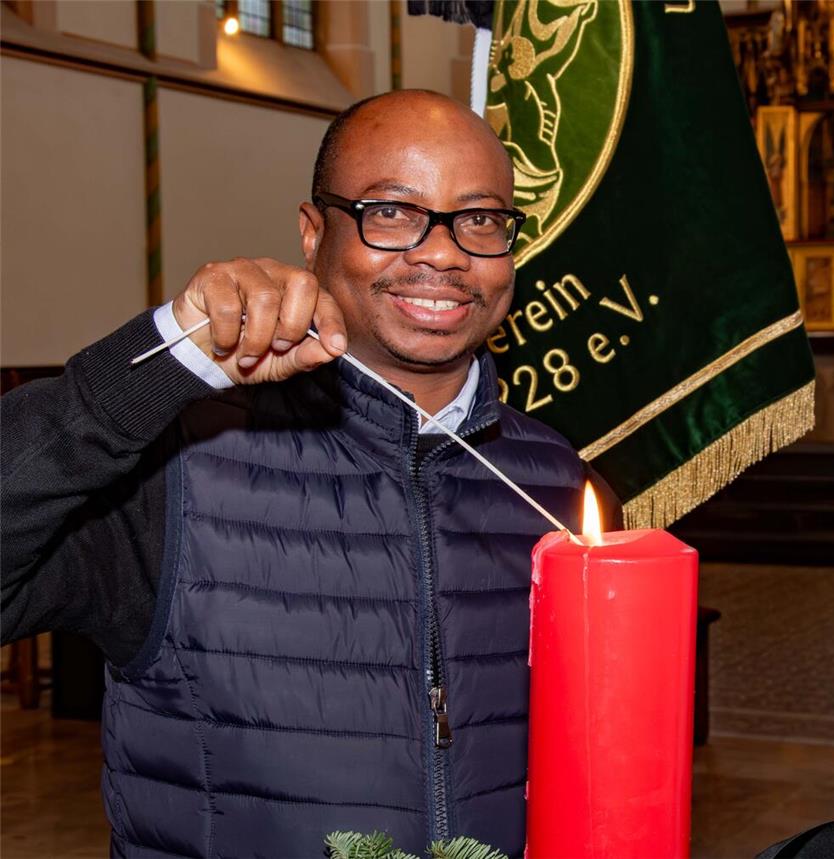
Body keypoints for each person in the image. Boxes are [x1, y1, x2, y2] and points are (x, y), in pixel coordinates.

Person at [1, 90, 614, 858]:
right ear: (313, 232)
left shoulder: (559, 482)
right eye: (392, 212)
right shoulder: (175, 466)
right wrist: (156, 365)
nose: (443, 253)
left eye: (482, 219)